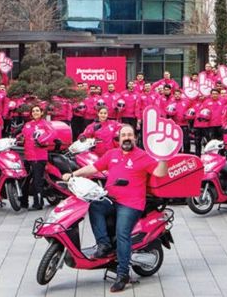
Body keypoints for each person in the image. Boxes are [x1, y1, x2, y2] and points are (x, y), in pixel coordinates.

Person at [61, 124, 168, 292]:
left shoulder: (143, 156)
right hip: (112, 199)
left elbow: (160, 173)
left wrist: (164, 158)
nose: (126, 137)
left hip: (131, 204)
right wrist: (73, 175)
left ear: (135, 138)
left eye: (129, 135)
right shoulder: (112, 154)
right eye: (123, 135)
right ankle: (103, 245)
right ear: (118, 139)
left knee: (122, 233)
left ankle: (123, 274)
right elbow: (93, 168)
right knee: (94, 206)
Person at [20, 105, 56, 210]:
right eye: (33, 111)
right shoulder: (27, 125)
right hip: (27, 156)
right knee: (25, 180)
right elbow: (22, 136)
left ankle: (38, 203)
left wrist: (41, 140)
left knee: (37, 181)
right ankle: (23, 202)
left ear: (41, 113)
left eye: (37, 111)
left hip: (39, 157)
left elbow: (53, 133)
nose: (35, 112)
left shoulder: (45, 123)